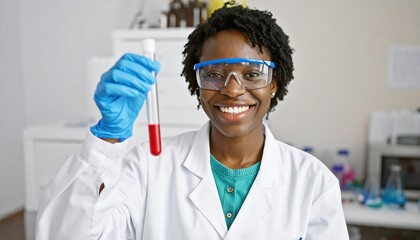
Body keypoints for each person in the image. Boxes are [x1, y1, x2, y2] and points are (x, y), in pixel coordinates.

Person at [36, 2, 349, 239]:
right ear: (196, 84)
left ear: (274, 83)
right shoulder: (149, 167)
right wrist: (107, 139)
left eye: (252, 74)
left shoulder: (313, 183)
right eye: (214, 74)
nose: (232, 89)